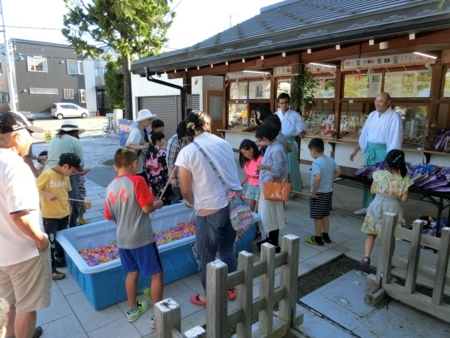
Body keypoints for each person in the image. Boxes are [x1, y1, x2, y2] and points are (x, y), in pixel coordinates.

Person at [175, 110, 241, 306]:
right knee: (228, 248)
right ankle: (230, 288)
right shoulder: (224, 143)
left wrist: (194, 202)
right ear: (207, 126)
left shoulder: (187, 152)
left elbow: (185, 189)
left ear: (189, 129)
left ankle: (209, 296)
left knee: (206, 255)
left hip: (208, 208)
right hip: (232, 203)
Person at [0, 111, 51, 338]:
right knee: (26, 308)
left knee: (8, 304)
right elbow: (19, 214)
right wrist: (40, 239)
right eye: (29, 134)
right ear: (17, 136)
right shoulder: (14, 165)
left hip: (2, 253)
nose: (31, 139)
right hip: (22, 252)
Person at [104, 148, 164, 328]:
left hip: (122, 239)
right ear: (135, 164)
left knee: (131, 273)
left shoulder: (109, 187)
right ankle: (157, 316)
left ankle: (132, 310)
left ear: (115, 166)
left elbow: (108, 216)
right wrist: (158, 204)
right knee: (156, 275)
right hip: (142, 238)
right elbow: (147, 208)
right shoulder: (138, 180)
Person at [350, 92, 403, 215]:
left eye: (381, 101)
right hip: (371, 152)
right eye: (376, 101)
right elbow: (365, 135)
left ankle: (378, 208)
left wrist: (391, 160)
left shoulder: (394, 117)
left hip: (384, 153)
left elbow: (396, 139)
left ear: (389, 102)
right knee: (368, 179)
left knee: (381, 182)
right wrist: (355, 150)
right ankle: (366, 206)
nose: (377, 104)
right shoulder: (372, 115)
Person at [36, 153, 85, 280]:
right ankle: (51, 270)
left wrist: (69, 212)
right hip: (51, 217)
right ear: (65, 166)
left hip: (64, 215)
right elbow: (34, 189)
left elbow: (67, 196)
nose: (73, 173)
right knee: (51, 243)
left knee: (62, 241)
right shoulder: (47, 174)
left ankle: (60, 259)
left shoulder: (66, 177)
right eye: (73, 170)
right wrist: (46, 194)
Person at [360, 149, 412, 267]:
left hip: (376, 206)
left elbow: (372, 190)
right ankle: (386, 261)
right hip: (392, 209)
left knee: (371, 233)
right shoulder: (404, 179)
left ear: (387, 162)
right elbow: (404, 199)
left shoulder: (379, 174)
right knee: (388, 237)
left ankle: (366, 256)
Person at [45, 119, 89, 228]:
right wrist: (84, 170)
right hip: (65, 173)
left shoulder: (54, 139)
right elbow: (80, 164)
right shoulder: (75, 141)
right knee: (73, 203)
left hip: (48, 172)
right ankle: (72, 228)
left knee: (56, 202)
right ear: (75, 132)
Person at [255, 122, 288, 253]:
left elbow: (280, 171)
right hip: (267, 185)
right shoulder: (272, 145)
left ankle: (274, 242)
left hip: (272, 187)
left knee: (271, 215)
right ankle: (269, 239)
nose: (262, 141)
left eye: (262, 138)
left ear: (268, 136)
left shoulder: (277, 149)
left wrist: (266, 167)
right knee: (267, 214)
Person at [305, 138, 341, 246]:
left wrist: (313, 193)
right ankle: (326, 235)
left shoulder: (316, 163)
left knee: (317, 217)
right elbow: (339, 171)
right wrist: (330, 179)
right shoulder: (330, 159)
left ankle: (318, 238)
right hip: (328, 192)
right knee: (325, 215)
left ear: (313, 150)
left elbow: (317, 178)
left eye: (310, 151)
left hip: (319, 194)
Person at [275, 93, 308, 195]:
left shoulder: (295, 115)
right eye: (281, 103)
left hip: (290, 142)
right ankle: (281, 189)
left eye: (285, 103)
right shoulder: (275, 115)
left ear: (289, 103)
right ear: (278, 104)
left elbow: (302, 129)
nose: (284, 105)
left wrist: (302, 132)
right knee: (279, 167)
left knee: (291, 168)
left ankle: (293, 190)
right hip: (278, 143)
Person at [126, 109, 157, 185]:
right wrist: (143, 146)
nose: (150, 121)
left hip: (141, 163)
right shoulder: (136, 131)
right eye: (149, 119)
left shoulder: (144, 130)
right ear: (142, 120)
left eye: (151, 119)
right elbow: (128, 146)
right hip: (136, 165)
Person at [166, 121, 191, 204]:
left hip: (192, 174)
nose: (187, 137)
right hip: (178, 174)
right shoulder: (173, 142)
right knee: (178, 197)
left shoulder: (193, 139)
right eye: (185, 135)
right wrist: (172, 178)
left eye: (189, 135)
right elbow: (170, 162)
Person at [146, 132, 172, 205]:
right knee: (165, 198)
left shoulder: (148, 151)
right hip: (163, 178)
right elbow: (168, 164)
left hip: (152, 178)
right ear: (158, 141)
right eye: (163, 138)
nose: (164, 140)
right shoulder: (162, 152)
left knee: (155, 197)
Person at [239, 139, 263, 212]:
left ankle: (258, 223)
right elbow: (248, 175)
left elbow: (265, 176)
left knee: (258, 210)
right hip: (251, 186)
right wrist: (240, 184)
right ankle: (252, 223)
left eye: (245, 153)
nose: (244, 155)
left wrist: (262, 190)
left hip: (260, 187)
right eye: (243, 153)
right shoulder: (247, 161)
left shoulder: (261, 159)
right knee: (250, 209)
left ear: (252, 149)